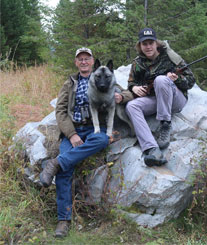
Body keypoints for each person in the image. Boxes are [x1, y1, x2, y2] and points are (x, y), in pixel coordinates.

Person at [39, 47, 110, 238]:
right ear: (76, 62)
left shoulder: (102, 77)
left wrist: (122, 96)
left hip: (95, 128)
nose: (84, 62)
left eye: (87, 58)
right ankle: (63, 220)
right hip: (74, 130)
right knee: (65, 170)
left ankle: (55, 163)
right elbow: (60, 112)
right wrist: (71, 134)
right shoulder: (69, 83)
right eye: (81, 59)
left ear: (93, 61)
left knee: (102, 140)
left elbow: (123, 93)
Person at [117, 27, 195, 167]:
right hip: (155, 100)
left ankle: (165, 124)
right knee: (132, 106)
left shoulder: (170, 56)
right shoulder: (138, 63)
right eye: (144, 44)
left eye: (150, 43)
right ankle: (152, 149)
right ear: (140, 46)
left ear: (156, 43)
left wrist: (175, 79)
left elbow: (190, 81)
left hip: (176, 100)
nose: (148, 47)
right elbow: (131, 82)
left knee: (161, 80)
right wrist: (134, 88)